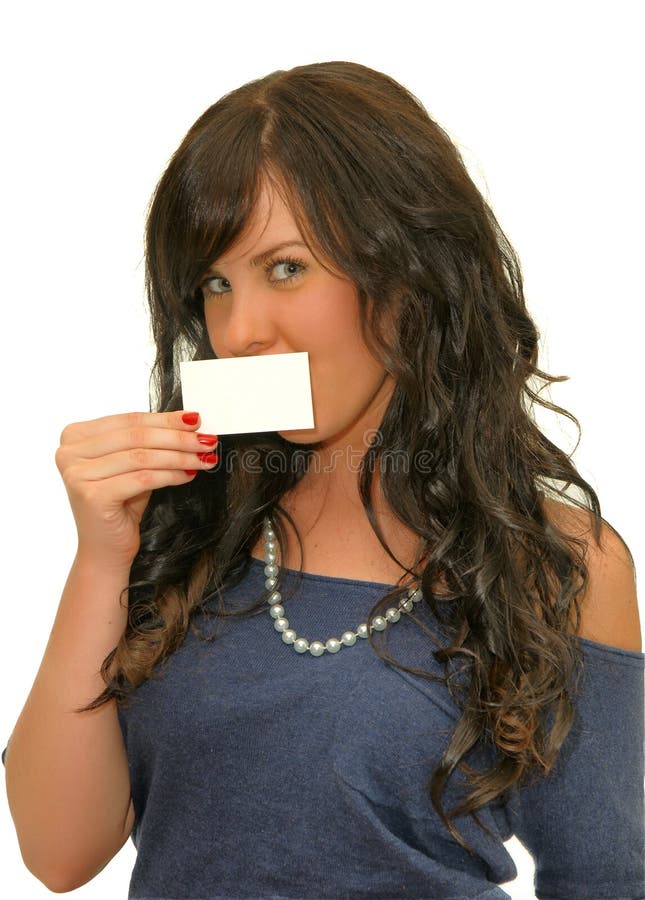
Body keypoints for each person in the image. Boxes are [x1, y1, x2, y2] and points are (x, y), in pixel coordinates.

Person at [3, 60, 643, 899]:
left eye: (286, 268)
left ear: (410, 273)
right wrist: (100, 558)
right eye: (215, 284)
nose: (239, 331)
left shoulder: (556, 562)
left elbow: (604, 880)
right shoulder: (181, 525)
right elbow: (58, 852)